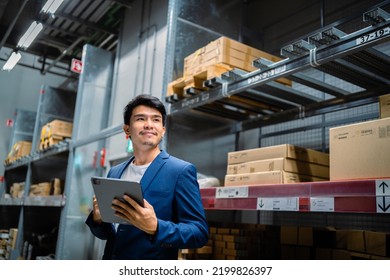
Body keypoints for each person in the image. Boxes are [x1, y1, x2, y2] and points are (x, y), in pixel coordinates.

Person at [85, 94, 209, 259]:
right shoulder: (115, 172)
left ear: (163, 130)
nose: (149, 125)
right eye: (141, 118)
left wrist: (156, 227)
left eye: (156, 120)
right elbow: (111, 235)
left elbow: (199, 233)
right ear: (127, 129)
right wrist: (98, 219)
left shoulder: (180, 171)